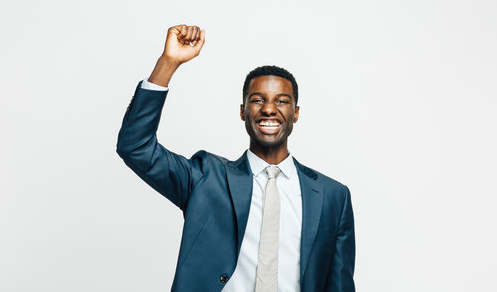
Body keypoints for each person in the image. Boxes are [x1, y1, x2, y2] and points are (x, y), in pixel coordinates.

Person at [116, 24, 356, 292]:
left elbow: (340, 284)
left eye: (281, 101)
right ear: (243, 111)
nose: (268, 109)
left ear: (296, 112)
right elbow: (135, 146)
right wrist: (168, 63)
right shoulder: (206, 178)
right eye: (257, 100)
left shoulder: (333, 196)